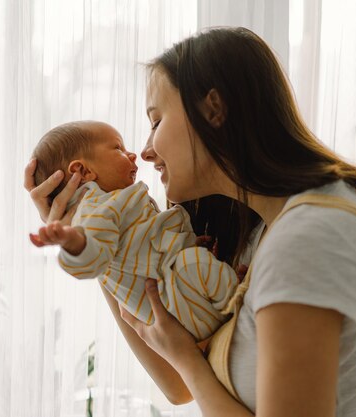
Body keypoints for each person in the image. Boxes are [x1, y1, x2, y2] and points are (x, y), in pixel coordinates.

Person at [25, 27, 356, 417]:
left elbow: (188, 373)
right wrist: (92, 228)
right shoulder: (262, 229)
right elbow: (178, 385)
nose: (143, 151)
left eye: (156, 122)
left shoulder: (308, 240)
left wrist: (190, 364)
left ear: (213, 110)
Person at [29, 120, 240, 341]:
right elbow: (94, 257)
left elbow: (144, 248)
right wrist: (75, 241)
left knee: (194, 261)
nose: (133, 155)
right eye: (118, 148)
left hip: (179, 297)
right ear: (83, 170)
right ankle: (238, 298)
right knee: (194, 263)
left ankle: (230, 291)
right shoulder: (97, 207)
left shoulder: (114, 204)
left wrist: (187, 243)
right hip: (177, 305)